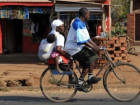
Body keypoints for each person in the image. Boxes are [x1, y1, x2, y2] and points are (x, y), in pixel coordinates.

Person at [65, 8, 101, 85]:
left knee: (87, 62)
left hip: (77, 47)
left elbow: (87, 38)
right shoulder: (78, 23)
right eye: (89, 15)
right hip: (73, 47)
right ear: (85, 15)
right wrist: (94, 47)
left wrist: (95, 46)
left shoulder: (83, 23)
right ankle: (90, 77)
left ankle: (80, 82)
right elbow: (81, 40)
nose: (89, 16)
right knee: (93, 56)